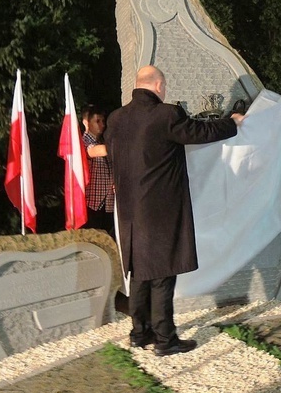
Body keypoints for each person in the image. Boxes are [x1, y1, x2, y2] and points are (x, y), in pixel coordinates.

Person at [105, 65, 244, 356]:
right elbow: (199, 131)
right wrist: (231, 122)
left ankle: (139, 333)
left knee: (140, 272)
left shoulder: (116, 119)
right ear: (158, 85)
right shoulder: (166, 114)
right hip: (159, 210)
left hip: (129, 211)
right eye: (164, 87)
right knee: (162, 274)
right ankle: (165, 339)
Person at [81, 105, 115, 235]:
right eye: (97, 121)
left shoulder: (102, 141)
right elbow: (93, 151)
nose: (102, 125)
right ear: (86, 122)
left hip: (107, 202)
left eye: (103, 121)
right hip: (91, 204)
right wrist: (121, 144)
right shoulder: (83, 142)